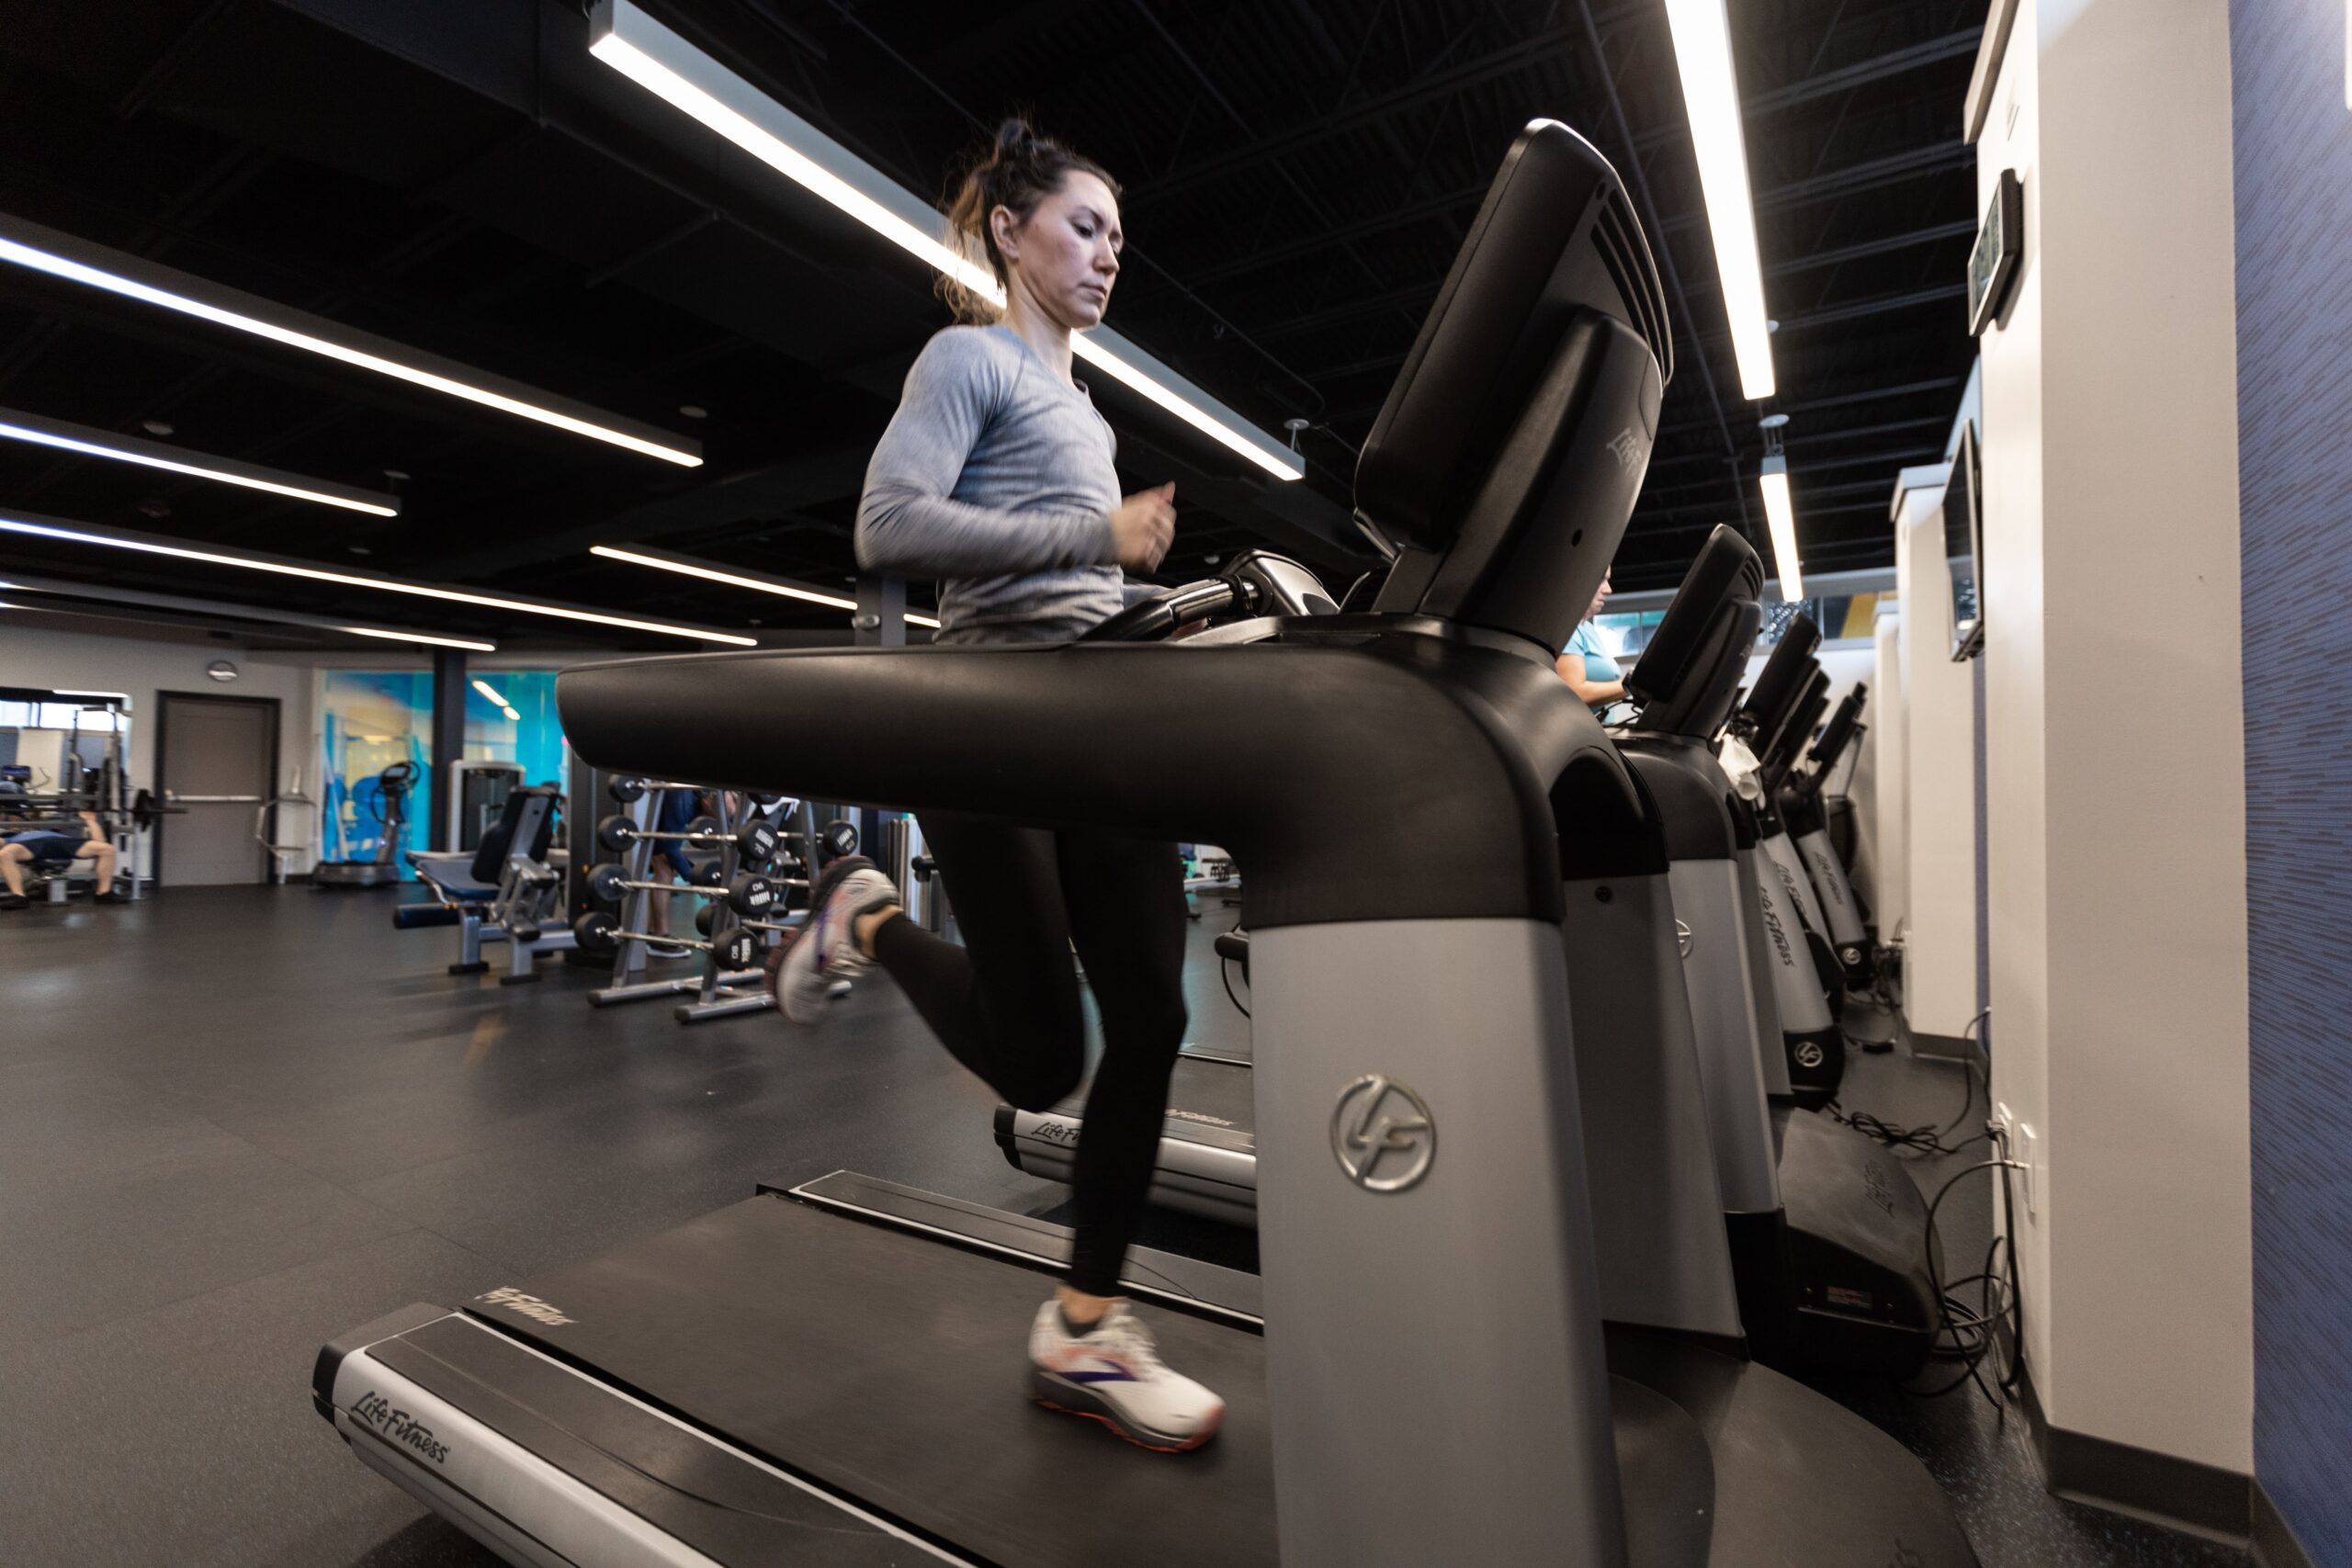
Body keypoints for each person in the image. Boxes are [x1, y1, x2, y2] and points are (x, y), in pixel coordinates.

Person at [763, 118, 1217, 1452]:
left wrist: (1147, 596)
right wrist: (1100, 529)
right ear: (1011, 232)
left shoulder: (1089, 410)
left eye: (1121, 240)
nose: (1107, 257)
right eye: (1085, 227)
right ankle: (867, 914)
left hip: (1096, 715)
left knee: (1149, 1016)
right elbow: (887, 526)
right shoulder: (968, 357)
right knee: (1042, 1052)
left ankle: (1084, 1327)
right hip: (988, 721)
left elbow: (1075, 574)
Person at [1, 811, 121, 908]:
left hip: (62, 842)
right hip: (28, 845)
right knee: (5, 854)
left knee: (107, 849)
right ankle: (19, 897)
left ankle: (103, 893)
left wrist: (91, 821)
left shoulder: (55, 832)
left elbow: (99, 842)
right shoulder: (12, 836)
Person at [1556, 568, 1628, 716]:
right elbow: (1574, 692)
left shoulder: (1587, 629)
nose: (1608, 590)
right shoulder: (1567, 628)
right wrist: (1633, 686)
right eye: (1601, 579)